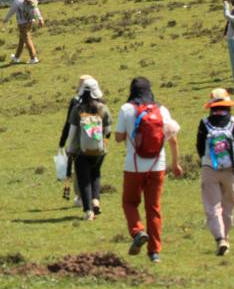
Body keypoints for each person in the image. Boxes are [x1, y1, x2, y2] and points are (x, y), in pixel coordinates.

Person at [113, 77, 182, 263]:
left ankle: (137, 231)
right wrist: (175, 164)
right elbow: (173, 139)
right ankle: (155, 252)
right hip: (157, 166)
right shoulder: (162, 110)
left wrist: (128, 131)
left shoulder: (126, 109)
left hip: (133, 166)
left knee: (129, 202)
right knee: (154, 208)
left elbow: (119, 138)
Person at [196, 88, 234, 256]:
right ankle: (226, 237)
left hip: (209, 169)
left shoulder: (204, 123)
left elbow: (200, 147)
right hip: (231, 170)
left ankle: (220, 238)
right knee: (228, 206)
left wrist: (205, 161)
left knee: (212, 206)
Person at [60, 75, 112, 220]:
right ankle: (96, 200)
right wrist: (103, 146)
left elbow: (72, 133)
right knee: (95, 174)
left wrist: (69, 149)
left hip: (81, 152)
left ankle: (88, 211)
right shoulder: (103, 109)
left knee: (84, 179)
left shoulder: (77, 109)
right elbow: (108, 132)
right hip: (99, 151)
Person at [4, 0, 44, 64]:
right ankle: (16, 58)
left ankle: (33, 58)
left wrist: (6, 19)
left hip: (22, 22)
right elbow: (35, 8)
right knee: (21, 40)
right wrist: (40, 18)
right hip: (30, 21)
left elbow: (13, 9)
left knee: (27, 39)